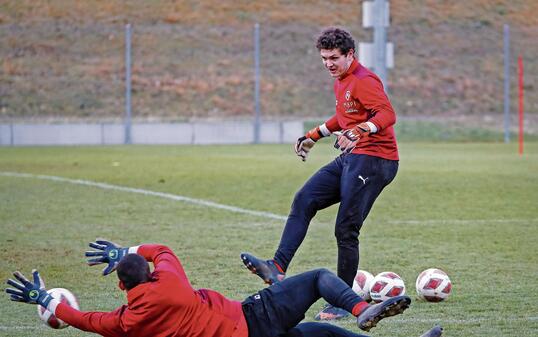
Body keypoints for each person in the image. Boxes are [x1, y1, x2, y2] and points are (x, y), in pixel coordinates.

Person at [241, 27, 400, 320]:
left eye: (334, 58)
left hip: (376, 161)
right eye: (324, 58)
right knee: (304, 199)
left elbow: (387, 115)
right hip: (353, 157)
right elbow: (344, 116)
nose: (328, 63)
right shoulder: (341, 80)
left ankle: (343, 301)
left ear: (350, 54)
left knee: (345, 229)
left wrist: (360, 130)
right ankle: (276, 267)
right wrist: (314, 134)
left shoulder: (365, 80)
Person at [4, 239, 443, 337]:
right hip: (251, 318)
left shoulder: (130, 321)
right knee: (318, 280)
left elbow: (86, 320)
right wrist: (125, 248)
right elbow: (161, 250)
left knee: (315, 336)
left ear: (120, 285)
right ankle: (361, 307)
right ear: (151, 272)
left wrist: (47, 301)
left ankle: (277, 283)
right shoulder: (171, 280)